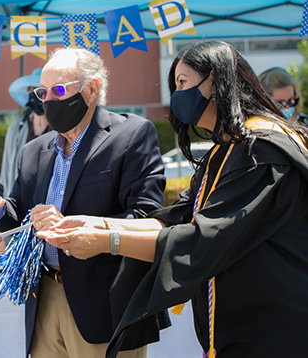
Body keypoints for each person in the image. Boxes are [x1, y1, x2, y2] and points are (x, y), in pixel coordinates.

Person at [39, 40, 308, 358]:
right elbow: (178, 218)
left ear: (214, 80)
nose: (177, 94)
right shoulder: (224, 153)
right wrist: (95, 224)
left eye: (183, 82)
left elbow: (203, 237)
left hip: (276, 328)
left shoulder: (260, 152)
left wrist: (108, 241)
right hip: (241, 329)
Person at [0, 47, 167, 358]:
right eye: (43, 91)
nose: (48, 100)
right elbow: (21, 218)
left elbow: (145, 216)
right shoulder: (33, 151)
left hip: (104, 301)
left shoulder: (131, 135)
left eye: (59, 90)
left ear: (91, 90)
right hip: (45, 295)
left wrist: (72, 225)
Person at [0, 68, 50, 196]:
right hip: (20, 197)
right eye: (33, 90)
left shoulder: (61, 128)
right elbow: (7, 168)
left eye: (41, 91)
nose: (37, 96)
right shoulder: (16, 128)